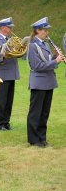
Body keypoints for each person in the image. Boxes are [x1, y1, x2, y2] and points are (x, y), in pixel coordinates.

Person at [27, 17, 64, 148]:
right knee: (35, 112)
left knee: (44, 112)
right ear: (37, 30)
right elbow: (37, 66)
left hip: (48, 82)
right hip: (39, 82)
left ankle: (42, 138)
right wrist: (56, 61)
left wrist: (54, 56)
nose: (47, 33)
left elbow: (47, 62)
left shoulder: (45, 44)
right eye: (45, 30)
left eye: (47, 30)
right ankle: (33, 139)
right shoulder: (33, 46)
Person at [0, 17, 19, 131]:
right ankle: (0, 123)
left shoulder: (11, 39)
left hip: (12, 73)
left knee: (9, 101)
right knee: (2, 100)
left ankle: (6, 122)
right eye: (9, 27)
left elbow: (17, 53)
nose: (11, 29)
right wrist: (4, 54)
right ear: (3, 28)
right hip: (2, 73)